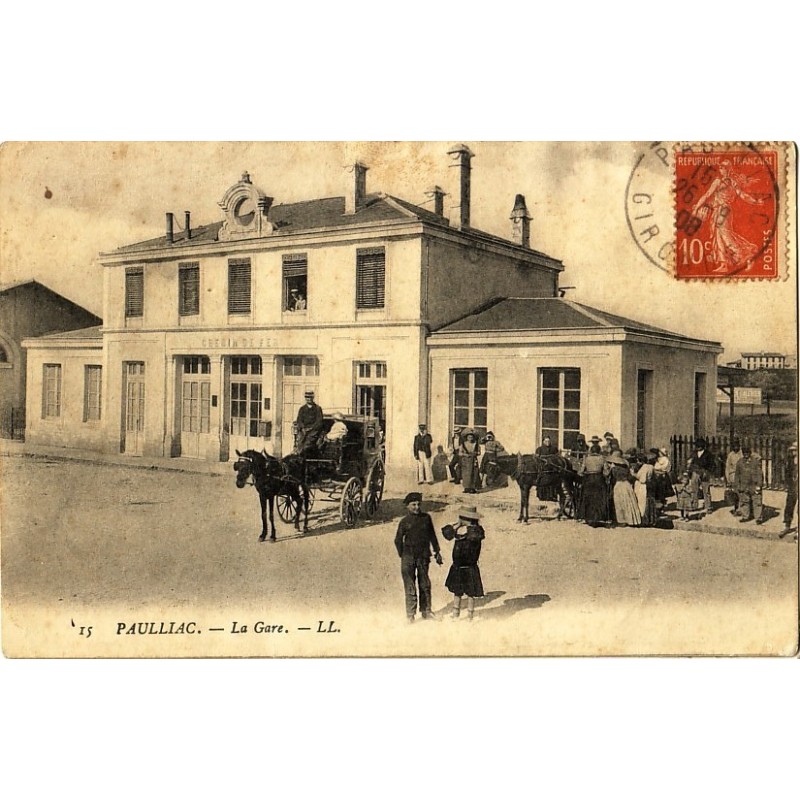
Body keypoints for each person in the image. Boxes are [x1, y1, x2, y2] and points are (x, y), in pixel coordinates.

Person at [394, 492, 443, 623]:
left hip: (423, 557)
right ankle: (410, 615)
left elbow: (432, 536)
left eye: (418, 504)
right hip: (408, 558)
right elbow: (398, 540)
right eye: (413, 505)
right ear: (407, 506)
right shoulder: (404, 522)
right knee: (410, 586)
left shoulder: (426, 518)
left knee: (425, 584)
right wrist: (403, 554)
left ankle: (426, 611)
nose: (416, 507)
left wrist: (437, 551)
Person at [442, 506, 485, 621]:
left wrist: (467, 526)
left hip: (469, 567)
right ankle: (456, 613)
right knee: (457, 591)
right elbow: (447, 534)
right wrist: (456, 526)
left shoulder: (475, 531)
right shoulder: (462, 530)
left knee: (470, 593)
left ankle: (470, 615)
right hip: (458, 567)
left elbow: (473, 537)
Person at [580, 442, 610, 527]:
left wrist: (583, 472)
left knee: (588, 498)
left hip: (589, 479)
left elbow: (581, 471)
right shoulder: (602, 458)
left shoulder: (586, 459)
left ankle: (588, 517)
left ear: (591, 451)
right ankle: (599, 517)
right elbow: (606, 473)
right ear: (599, 451)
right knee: (599, 498)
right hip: (599, 479)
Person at [608, 454, 641, 527]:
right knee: (628, 502)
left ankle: (621, 520)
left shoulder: (614, 469)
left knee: (619, 504)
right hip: (627, 485)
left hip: (619, 485)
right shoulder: (626, 469)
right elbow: (630, 477)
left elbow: (611, 479)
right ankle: (630, 519)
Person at [735, 445, 764, 524]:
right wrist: (737, 485)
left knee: (757, 501)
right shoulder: (740, 462)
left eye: (747, 453)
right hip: (744, 485)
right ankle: (745, 516)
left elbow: (759, 474)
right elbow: (737, 475)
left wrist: (759, 485)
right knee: (744, 501)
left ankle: (758, 518)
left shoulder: (755, 462)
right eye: (744, 453)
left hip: (754, 485)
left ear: (750, 453)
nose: (746, 454)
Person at [689, 438, 716, 514]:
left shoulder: (708, 454)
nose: (697, 447)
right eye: (696, 446)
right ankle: (694, 505)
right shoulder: (694, 453)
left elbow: (712, 465)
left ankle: (708, 507)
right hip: (696, 472)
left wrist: (707, 472)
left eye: (699, 446)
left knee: (706, 490)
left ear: (702, 446)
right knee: (694, 489)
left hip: (705, 473)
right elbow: (691, 463)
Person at [634, 452, 658, 527]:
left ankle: (644, 520)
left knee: (642, 503)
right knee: (649, 503)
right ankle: (651, 520)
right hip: (649, 485)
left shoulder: (644, 467)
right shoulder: (651, 466)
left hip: (642, 487)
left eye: (638, 461)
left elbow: (642, 479)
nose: (637, 463)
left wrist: (634, 474)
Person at [780, 442, 798, 539]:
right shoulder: (790, 460)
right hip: (792, 486)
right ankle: (787, 525)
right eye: (792, 450)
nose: (793, 452)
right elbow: (787, 472)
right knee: (789, 506)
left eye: (795, 450)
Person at [535, 435, 559, 501]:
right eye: (546, 441)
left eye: (548, 441)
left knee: (552, 480)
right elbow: (537, 459)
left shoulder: (554, 449)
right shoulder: (539, 449)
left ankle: (552, 496)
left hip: (552, 468)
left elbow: (557, 457)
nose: (547, 442)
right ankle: (542, 496)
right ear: (543, 441)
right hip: (543, 468)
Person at [725, 438, 743, 516]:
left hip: (742, 476)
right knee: (735, 493)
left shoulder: (742, 453)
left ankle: (742, 509)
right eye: (734, 446)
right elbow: (727, 467)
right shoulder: (731, 455)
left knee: (742, 493)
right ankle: (736, 508)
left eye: (737, 446)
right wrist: (728, 478)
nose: (735, 447)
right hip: (733, 476)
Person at [653, 447, 674, 513]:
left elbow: (664, 468)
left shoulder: (665, 459)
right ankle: (660, 505)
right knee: (658, 491)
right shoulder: (658, 459)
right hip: (657, 476)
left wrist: (658, 469)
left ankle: (662, 505)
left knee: (662, 490)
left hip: (662, 476)